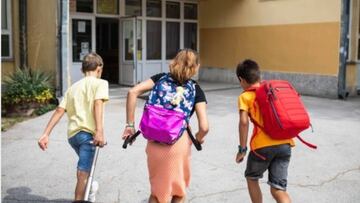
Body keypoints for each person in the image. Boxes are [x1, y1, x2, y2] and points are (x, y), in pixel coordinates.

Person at [122, 49, 209, 203]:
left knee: (156, 193)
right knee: (178, 193)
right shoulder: (196, 89)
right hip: (178, 143)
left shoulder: (160, 78)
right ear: (196, 67)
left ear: (174, 61)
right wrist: (198, 138)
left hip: (154, 143)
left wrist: (130, 125)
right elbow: (204, 127)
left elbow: (132, 92)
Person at [38, 52, 109, 202]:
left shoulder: (73, 88)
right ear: (99, 68)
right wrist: (99, 131)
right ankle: (80, 198)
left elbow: (59, 110)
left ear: (83, 70)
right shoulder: (101, 83)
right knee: (83, 173)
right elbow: (98, 103)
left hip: (73, 137)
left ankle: (91, 188)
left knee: (86, 167)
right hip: (88, 135)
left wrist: (46, 134)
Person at [235, 59, 295, 203]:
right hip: (285, 144)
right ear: (259, 76)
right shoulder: (273, 91)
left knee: (252, 178)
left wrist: (242, 149)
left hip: (262, 147)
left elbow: (244, 122)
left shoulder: (245, 96)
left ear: (241, 80)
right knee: (278, 189)